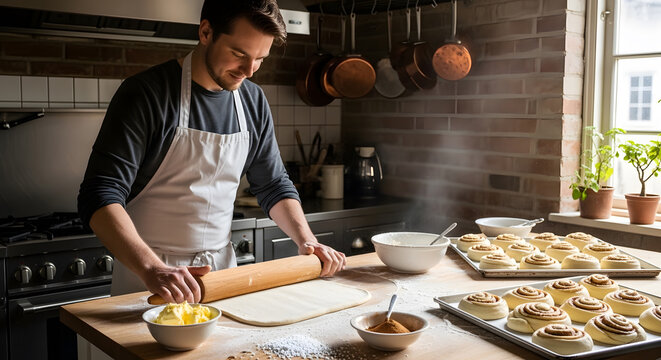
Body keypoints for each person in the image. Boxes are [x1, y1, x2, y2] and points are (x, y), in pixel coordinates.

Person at [78, 0, 346, 304]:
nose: (249, 71)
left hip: (221, 278)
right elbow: (99, 193)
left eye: (260, 59)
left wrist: (308, 242)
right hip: (150, 277)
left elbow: (272, 183)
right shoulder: (145, 94)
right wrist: (152, 268)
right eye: (239, 54)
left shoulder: (252, 101)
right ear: (206, 32)